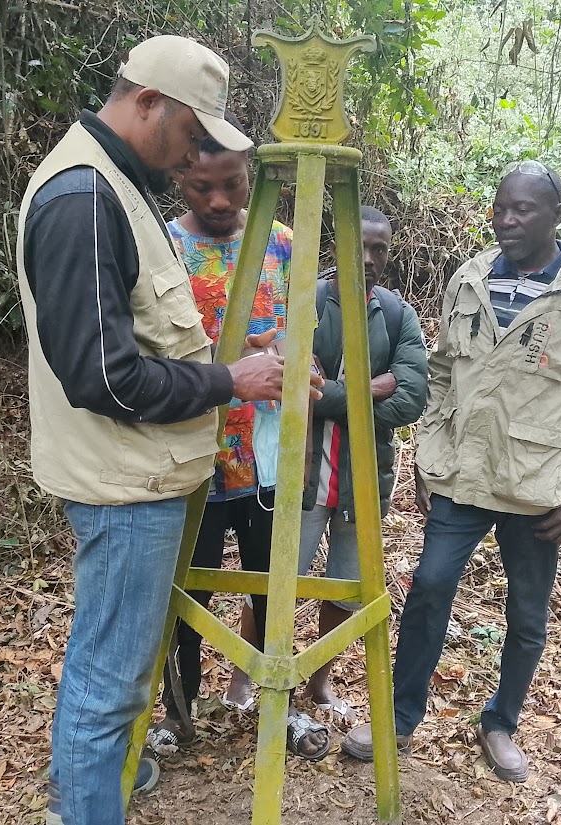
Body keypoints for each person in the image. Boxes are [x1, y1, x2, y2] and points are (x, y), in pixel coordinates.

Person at [16, 35, 321, 825]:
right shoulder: (83, 197)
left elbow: (141, 341)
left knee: (111, 675)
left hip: (140, 474)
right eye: (190, 134)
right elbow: (105, 376)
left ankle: (84, 793)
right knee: (110, 683)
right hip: (125, 485)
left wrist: (234, 359)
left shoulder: (112, 185)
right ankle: (85, 807)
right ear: (148, 101)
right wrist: (229, 381)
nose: (192, 155)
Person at [342, 162, 561, 783]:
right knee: (428, 588)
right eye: (501, 208)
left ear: (557, 215)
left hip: (536, 486)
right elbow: (442, 373)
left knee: (527, 613)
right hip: (462, 475)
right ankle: (398, 718)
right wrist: (428, 456)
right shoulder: (470, 278)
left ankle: (501, 723)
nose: (507, 220)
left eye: (523, 210)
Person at [144, 114, 329, 761]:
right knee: (186, 592)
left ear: (250, 178)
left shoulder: (282, 244)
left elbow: (300, 339)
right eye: (203, 187)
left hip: (267, 457)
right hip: (193, 454)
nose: (220, 201)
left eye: (232, 185)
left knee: (270, 586)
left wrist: (300, 363)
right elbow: (149, 355)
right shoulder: (164, 248)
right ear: (180, 178)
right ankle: (178, 713)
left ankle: (274, 705)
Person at [226, 207, 428, 725]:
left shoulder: (397, 315)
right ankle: (245, 676)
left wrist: (333, 392)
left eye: (379, 249)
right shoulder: (305, 303)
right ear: (337, 244)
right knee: (276, 577)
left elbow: (411, 399)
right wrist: (371, 386)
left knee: (347, 582)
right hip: (302, 472)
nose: (368, 258)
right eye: (359, 245)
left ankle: (319, 681)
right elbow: (294, 389)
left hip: (364, 477)